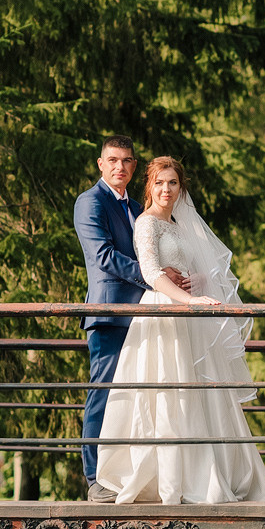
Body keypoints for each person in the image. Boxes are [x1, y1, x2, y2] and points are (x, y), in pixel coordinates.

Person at [95, 156, 265, 505]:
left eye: (173, 183)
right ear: (150, 186)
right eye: (160, 182)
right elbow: (150, 272)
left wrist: (199, 282)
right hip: (164, 313)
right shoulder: (146, 224)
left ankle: (209, 472)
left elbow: (197, 268)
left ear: (181, 187)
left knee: (198, 392)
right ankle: (169, 478)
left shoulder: (180, 226)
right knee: (167, 394)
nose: (166, 189)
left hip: (188, 316)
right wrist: (185, 301)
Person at [73, 137, 191, 502]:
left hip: (146, 317)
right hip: (109, 315)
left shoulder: (141, 209)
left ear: (134, 167)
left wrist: (174, 278)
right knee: (105, 394)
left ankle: (133, 475)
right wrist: (154, 275)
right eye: (112, 160)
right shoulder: (90, 202)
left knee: (138, 399)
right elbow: (104, 256)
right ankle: (95, 479)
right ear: (100, 164)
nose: (119, 167)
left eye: (126, 161)